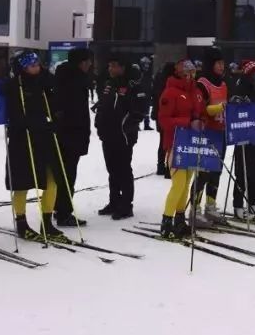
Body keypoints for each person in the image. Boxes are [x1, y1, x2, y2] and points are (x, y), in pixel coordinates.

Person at [4, 51, 65, 242]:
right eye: (32, 65)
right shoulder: (15, 85)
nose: (36, 68)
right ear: (23, 67)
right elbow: (13, 114)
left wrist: (57, 118)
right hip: (23, 139)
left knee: (52, 179)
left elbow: (56, 104)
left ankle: (46, 222)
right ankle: (21, 222)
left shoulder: (46, 81)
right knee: (22, 183)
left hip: (44, 137)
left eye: (38, 64)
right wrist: (28, 123)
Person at [95, 57, 147, 220]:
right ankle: (114, 201)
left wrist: (125, 126)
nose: (110, 68)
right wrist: (99, 122)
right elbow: (103, 104)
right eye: (109, 65)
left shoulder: (133, 85)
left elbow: (140, 110)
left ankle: (126, 204)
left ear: (123, 67)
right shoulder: (110, 83)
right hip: (108, 133)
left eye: (114, 65)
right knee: (112, 169)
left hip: (124, 135)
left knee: (123, 169)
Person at [158, 59, 206, 238]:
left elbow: (201, 112)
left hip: (192, 144)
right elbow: (164, 120)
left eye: (194, 72)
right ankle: (166, 221)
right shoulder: (170, 92)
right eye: (188, 73)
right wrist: (187, 122)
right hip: (175, 145)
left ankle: (179, 219)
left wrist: (203, 120)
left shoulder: (196, 91)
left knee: (186, 185)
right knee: (178, 184)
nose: (192, 76)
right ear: (180, 73)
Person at [52, 47, 93, 227]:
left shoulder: (64, 77)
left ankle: (58, 207)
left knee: (63, 173)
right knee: (67, 174)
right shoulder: (74, 80)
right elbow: (73, 111)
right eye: (88, 61)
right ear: (81, 62)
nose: (90, 64)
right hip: (70, 134)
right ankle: (63, 212)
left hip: (67, 133)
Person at [229, 60, 255, 219]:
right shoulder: (242, 85)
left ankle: (253, 203)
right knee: (242, 171)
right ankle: (238, 205)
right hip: (244, 136)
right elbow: (234, 105)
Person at [192, 47, 228, 221]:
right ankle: (195, 208)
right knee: (203, 173)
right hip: (206, 134)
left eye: (223, 63)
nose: (222, 66)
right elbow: (201, 110)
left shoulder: (223, 83)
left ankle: (211, 205)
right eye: (218, 63)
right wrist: (220, 108)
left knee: (216, 172)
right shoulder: (202, 83)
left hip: (221, 133)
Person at [152, 62, 175, 179]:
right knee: (169, 142)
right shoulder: (170, 83)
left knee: (162, 141)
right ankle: (167, 166)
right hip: (168, 116)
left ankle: (161, 165)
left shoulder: (158, 79)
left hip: (159, 114)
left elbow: (154, 96)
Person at [138, 55, 154, 131]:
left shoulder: (149, 73)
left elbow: (150, 83)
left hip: (147, 94)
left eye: (148, 64)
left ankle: (146, 124)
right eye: (145, 64)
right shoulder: (139, 72)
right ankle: (137, 124)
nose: (147, 65)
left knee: (147, 110)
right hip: (140, 94)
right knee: (138, 110)